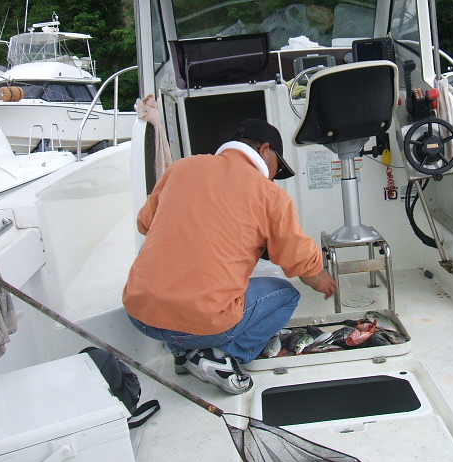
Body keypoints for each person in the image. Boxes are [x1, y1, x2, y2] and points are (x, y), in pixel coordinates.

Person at [123, 118, 336, 394]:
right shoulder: (270, 195)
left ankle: (183, 353)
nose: (274, 176)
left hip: (140, 315)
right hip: (203, 326)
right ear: (265, 150)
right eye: (277, 167)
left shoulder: (180, 168)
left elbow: (145, 224)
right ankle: (222, 356)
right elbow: (301, 262)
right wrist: (322, 280)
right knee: (287, 296)